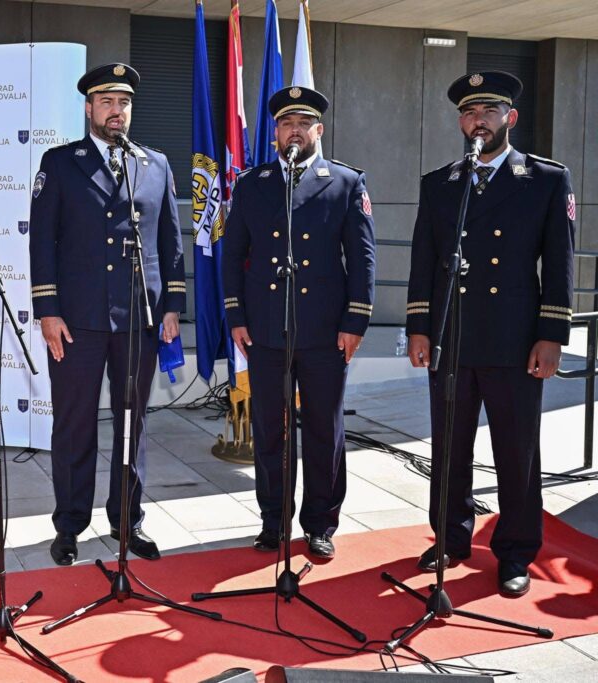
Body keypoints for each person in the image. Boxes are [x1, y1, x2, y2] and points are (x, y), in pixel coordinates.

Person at [405, 71, 575, 596]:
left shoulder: (544, 179)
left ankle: (515, 551)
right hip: (452, 337)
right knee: (449, 447)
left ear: (510, 118)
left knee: (516, 451)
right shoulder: (441, 183)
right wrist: (418, 327)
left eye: (489, 111)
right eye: (469, 113)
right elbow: (424, 260)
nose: (478, 121)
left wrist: (552, 335)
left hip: (514, 339)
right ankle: (450, 538)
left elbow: (559, 263)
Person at [30, 63, 186, 566]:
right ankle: (70, 524)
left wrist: (172, 305)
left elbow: (170, 241)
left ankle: (127, 519)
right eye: (107, 102)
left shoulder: (154, 163)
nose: (116, 111)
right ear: (88, 108)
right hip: (77, 319)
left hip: (139, 317)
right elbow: (42, 243)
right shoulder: (60, 163)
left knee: (131, 422)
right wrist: (47, 310)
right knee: (74, 423)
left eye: (123, 103)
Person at [221, 86, 376, 561]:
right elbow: (233, 254)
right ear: (275, 133)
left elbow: (362, 258)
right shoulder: (252, 183)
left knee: (325, 430)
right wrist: (236, 315)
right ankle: (273, 520)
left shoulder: (346, 182)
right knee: (270, 428)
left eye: (304, 124)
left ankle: (320, 523)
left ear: (318, 131)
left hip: (326, 332)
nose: (295, 131)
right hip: (266, 329)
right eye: (286, 123)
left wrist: (356, 320)